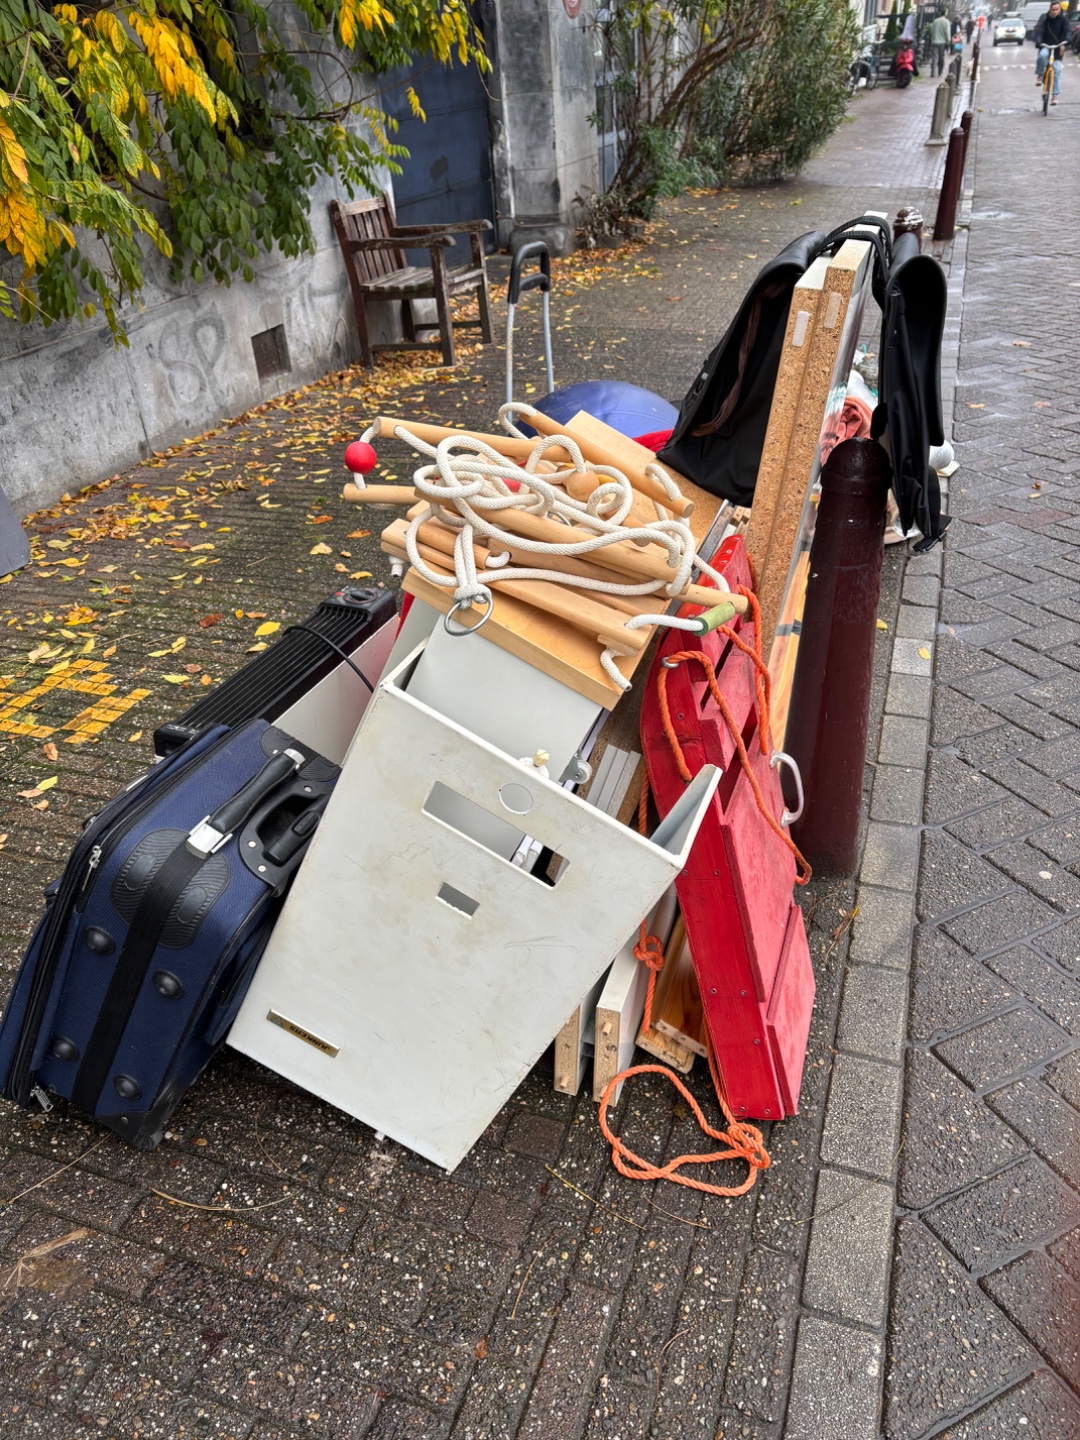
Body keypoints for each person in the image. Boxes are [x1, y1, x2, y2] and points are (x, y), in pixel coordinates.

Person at [1035, 1, 1070, 102]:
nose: (1055, 12)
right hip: (1046, 45)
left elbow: (1067, 31)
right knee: (1042, 56)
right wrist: (1038, 41)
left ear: (1060, 10)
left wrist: (1068, 39)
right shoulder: (1045, 19)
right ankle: (1040, 75)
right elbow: (1040, 31)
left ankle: (1055, 95)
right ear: (1050, 9)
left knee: (1058, 70)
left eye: (1057, 9)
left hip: (1058, 47)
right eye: (1053, 10)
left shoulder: (1064, 20)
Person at [929, 9, 952, 75]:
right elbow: (947, 32)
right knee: (941, 57)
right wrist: (948, 41)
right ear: (945, 14)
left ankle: (933, 72)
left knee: (934, 57)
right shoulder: (946, 22)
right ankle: (940, 71)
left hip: (934, 41)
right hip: (942, 42)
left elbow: (932, 30)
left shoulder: (935, 21)